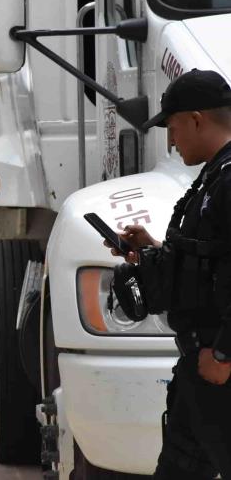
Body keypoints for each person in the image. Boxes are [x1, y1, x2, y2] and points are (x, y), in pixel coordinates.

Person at [106, 70, 231, 478]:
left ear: (197, 120)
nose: (171, 142)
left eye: (173, 128)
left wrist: (224, 355)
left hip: (218, 369)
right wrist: (152, 251)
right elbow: (209, 260)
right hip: (199, 370)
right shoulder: (213, 178)